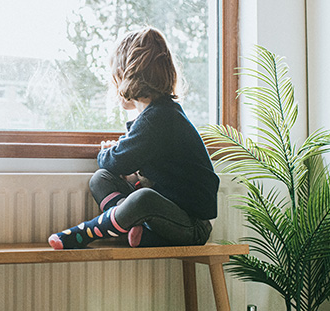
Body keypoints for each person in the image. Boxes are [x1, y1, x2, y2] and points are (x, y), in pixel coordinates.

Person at [48, 27, 219, 249]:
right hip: (161, 219)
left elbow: (118, 161)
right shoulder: (154, 116)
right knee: (101, 179)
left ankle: (87, 232)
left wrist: (107, 152)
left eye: (114, 79)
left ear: (126, 78)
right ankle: (134, 229)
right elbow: (128, 159)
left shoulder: (160, 117)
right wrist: (121, 158)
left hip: (191, 226)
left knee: (143, 199)